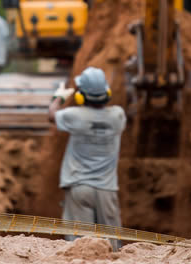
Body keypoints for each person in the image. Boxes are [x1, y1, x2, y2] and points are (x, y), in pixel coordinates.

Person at [48, 67, 126, 251]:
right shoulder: (118, 116)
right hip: (107, 189)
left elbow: (51, 115)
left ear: (81, 96)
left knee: (81, 245)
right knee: (113, 246)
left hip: (79, 187)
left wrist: (58, 97)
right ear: (106, 93)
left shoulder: (75, 116)